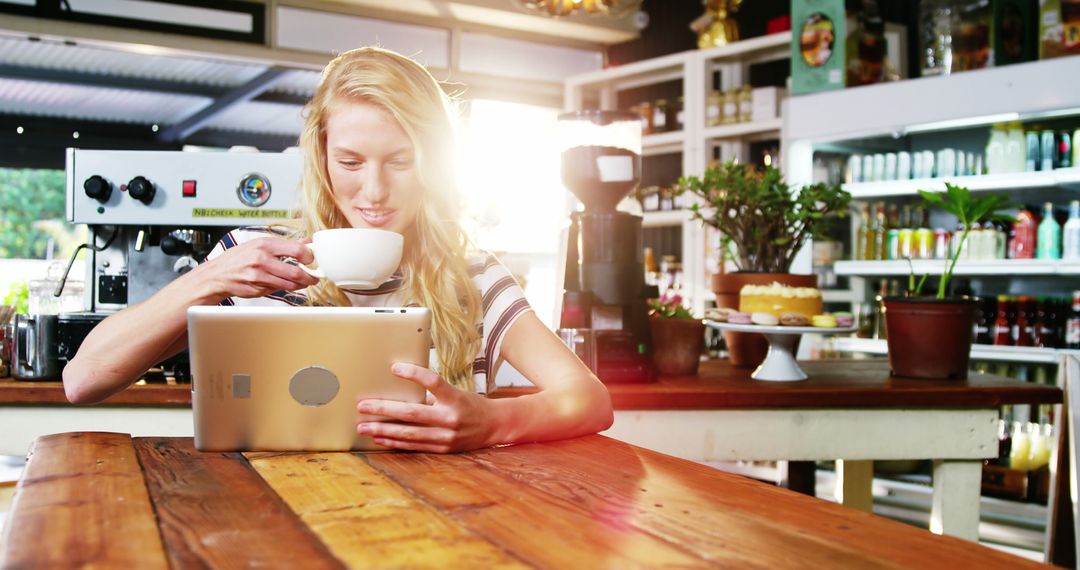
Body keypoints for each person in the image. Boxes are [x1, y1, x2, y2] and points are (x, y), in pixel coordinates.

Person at [63, 47, 614, 452]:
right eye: (350, 162)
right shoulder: (250, 260)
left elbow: (590, 399)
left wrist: (494, 423)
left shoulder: (469, 275)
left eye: (401, 161)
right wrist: (208, 279)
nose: (374, 192)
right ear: (322, 159)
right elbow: (83, 381)